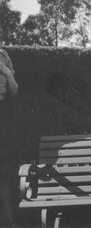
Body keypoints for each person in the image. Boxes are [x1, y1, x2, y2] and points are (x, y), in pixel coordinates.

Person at [0, 49, 19, 228]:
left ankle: (7, 222)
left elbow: (14, 89)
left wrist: (5, 72)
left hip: (2, 114)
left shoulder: (4, 56)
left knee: (2, 173)